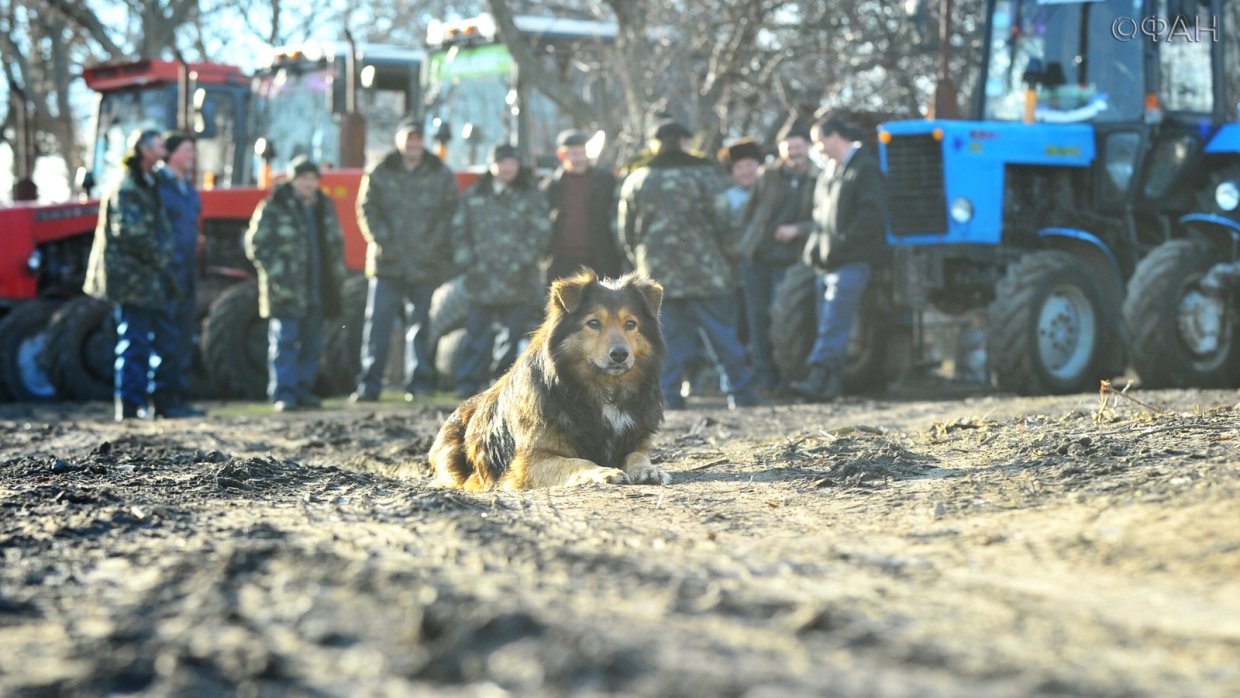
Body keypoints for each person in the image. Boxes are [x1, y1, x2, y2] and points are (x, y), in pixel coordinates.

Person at [618, 119, 761, 410]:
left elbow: (626, 232)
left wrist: (641, 263)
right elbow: (726, 224)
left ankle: (668, 396)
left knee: (663, 339)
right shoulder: (707, 176)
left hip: (657, 278)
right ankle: (740, 394)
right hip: (707, 274)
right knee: (722, 336)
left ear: (655, 143)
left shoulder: (637, 179)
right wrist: (733, 259)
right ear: (686, 142)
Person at [350, 116, 459, 403]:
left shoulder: (440, 173)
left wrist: (432, 246)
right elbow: (366, 208)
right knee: (378, 325)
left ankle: (419, 383)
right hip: (388, 263)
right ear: (399, 141)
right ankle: (370, 384)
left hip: (425, 265)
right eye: (408, 138)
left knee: (421, 326)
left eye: (418, 138)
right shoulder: (381, 171)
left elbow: (450, 214)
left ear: (424, 142)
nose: (413, 144)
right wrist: (385, 241)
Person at [791, 114, 887, 402]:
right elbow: (819, 219)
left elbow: (871, 216)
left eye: (819, 142)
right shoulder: (828, 174)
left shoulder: (865, 169)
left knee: (834, 320)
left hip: (852, 261)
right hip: (827, 263)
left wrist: (841, 246)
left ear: (835, 137)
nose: (817, 150)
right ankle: (829, 387)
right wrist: (815, 252)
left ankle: (817, 377)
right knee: (827, 322)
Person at [84, 129, 176, 421]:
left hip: (144, 275)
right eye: (160, 145)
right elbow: (130, 233)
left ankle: (144, 400)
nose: (164, 150)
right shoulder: (128, 186)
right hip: (130, 278)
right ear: (144, 150)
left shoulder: (148, 182)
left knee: (147, 337)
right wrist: (162, 255)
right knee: (134, 339)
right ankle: (130, 403)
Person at [244, 157, 346, 412]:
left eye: (313, 179)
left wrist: (338, 275)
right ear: (293, 180)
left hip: (318, 287)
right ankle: (283, 393)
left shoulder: (324, 206)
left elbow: (335, 244)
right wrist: (279, 274)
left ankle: (303, 390)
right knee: (285, 342)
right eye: (303, 178)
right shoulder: (274, 205)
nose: (309, 184)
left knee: (312, 343)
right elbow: (256, 244)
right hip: (286, 289)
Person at [451, 143, 552, 397]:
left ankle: (502, 385)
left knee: (513, 335)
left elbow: (541, 233)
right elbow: (458, 232)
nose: (507, 168)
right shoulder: (475, 196)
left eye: (512, 163)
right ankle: (468, 384)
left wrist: (522, 262)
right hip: (481, 280)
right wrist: (469, 263)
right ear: (492, 165)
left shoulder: (531, 196)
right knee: (476, 335)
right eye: (502, 162)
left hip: (518, 281)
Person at [737, 116, 818, 393]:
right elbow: (749, 214)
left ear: (807, 147)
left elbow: (824, 219)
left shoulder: (819, 178)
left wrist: (798, 229)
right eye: (788, 149)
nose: (793, 154)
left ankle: (789, 377)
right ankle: (765, 379)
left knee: (784, 322)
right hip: (758, 259)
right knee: (757, 320)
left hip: (793, 262)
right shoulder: (768, 176)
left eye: (798, 148)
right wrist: (745, 244)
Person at [152, 131, 206, 418]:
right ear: (171, 153)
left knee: (183, 334)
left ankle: (177, 396)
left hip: (186, 271)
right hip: (167, 272)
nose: (192, 156)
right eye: (187, 150)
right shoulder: (158, 185)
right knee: (166, 335)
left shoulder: (187, 189)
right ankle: (161, 398)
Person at [541, 129, 625, 283]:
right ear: (562, 155)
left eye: (582, 153)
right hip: (562, 265)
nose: (579, 159)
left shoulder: (605, 182)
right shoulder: (551, 186)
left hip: (600, 262)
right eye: (574, 154)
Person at [718, 137, 763, 224]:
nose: (745, 171)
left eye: (749, 165)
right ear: (731, 172)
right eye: (739, 167)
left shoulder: (773, 193)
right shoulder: (726, 198)